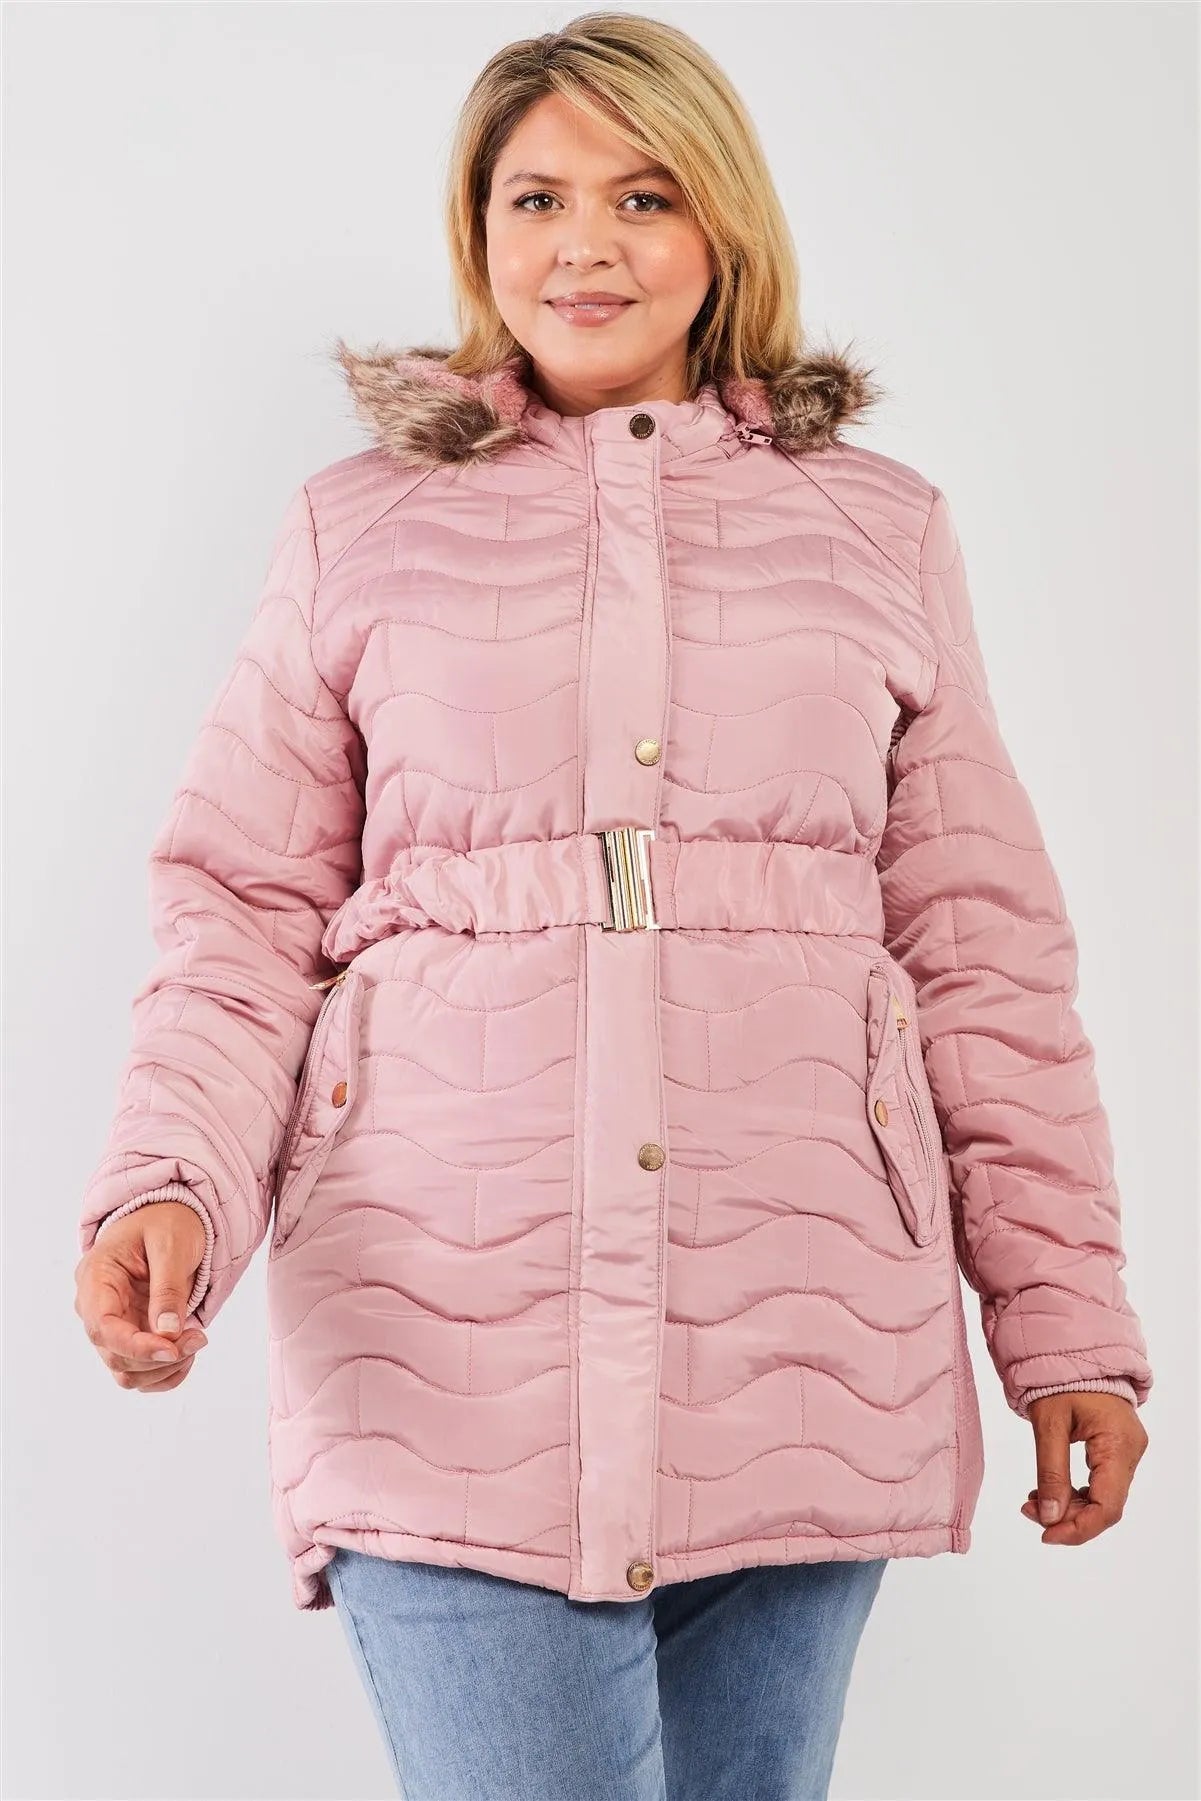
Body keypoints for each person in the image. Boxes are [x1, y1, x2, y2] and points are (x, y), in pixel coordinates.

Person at [73, 12, 1153, 1799]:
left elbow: (983, 960)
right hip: (441, 1340)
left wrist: (1063, 1328)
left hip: (807, 1333)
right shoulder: (360, 527)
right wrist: (171, 1179)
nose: (586, 245)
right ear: (478, 231)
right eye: (537, 198)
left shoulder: (877, 528)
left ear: (723, 223)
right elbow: (242, 914)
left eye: (643, 196)